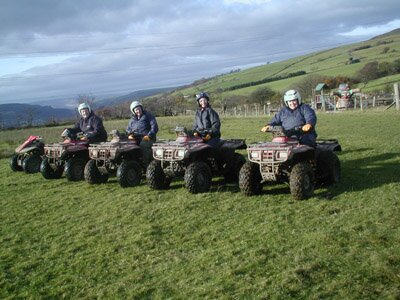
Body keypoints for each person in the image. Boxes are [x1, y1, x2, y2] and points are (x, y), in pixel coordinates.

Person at [126, 100, 159, 166]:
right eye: (136, 110)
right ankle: (131, 164)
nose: (138, 111)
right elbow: (128, 129)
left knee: (143, 145)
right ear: (133, 111)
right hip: (136, 138)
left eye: (139, 109)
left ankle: (146, 164)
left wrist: (149, 135)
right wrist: (130, 134)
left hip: (148, 137)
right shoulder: (132, 120)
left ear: (141, 108)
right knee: (126, 146)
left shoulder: (148, 115)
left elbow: (154, 127)